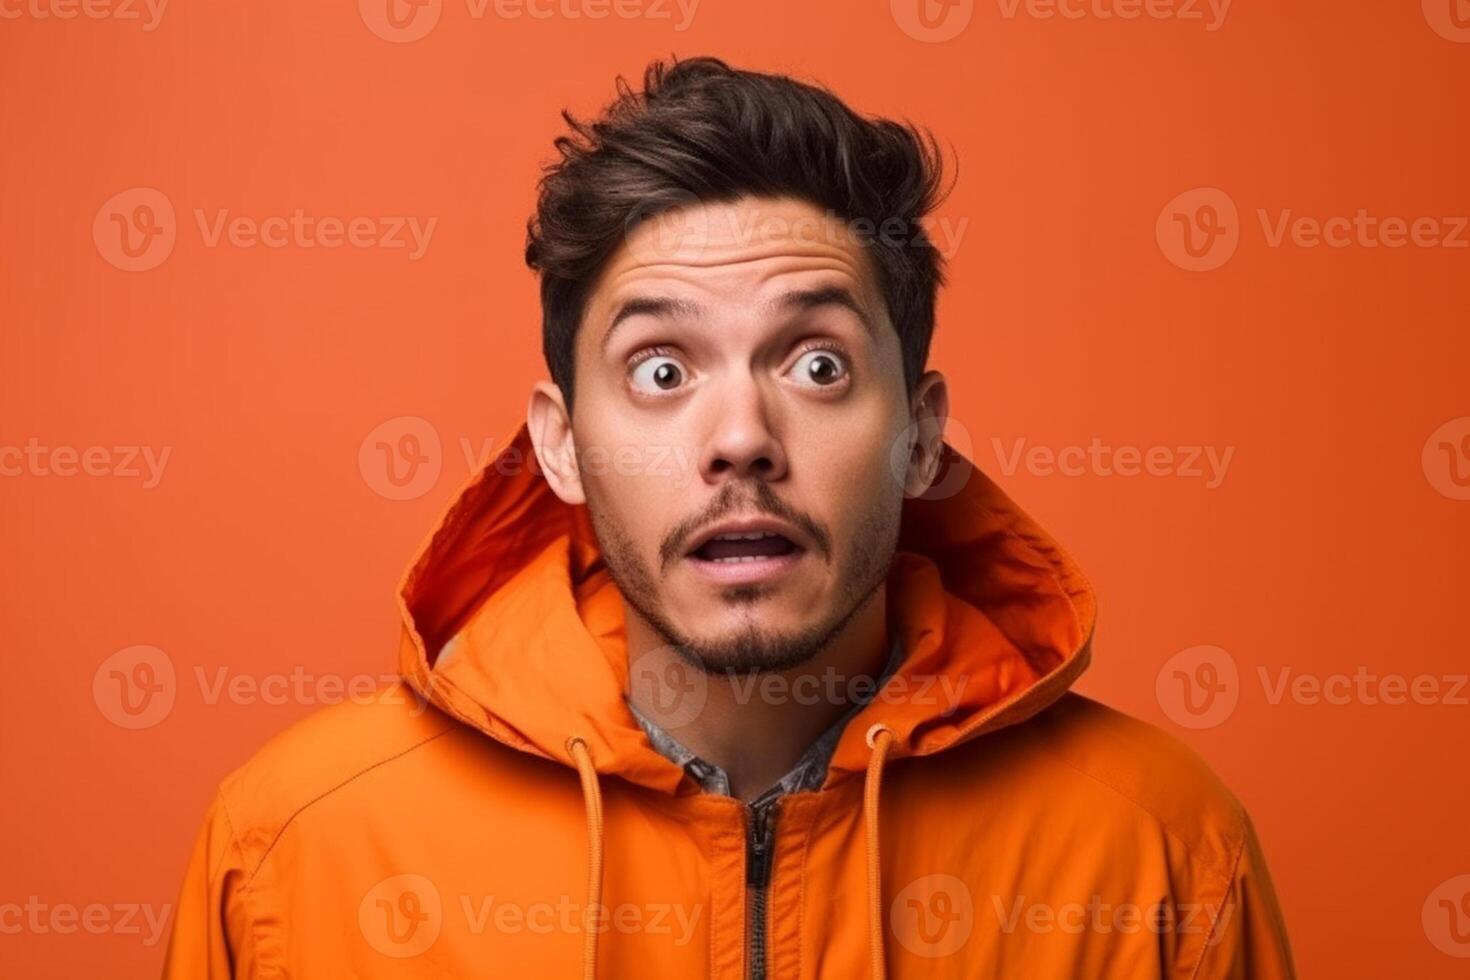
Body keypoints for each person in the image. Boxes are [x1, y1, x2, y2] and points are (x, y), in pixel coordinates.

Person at [161, 55, 1296, 979]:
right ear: (559, 441)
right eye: (661, 370)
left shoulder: (1161, 856)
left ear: (921, 433)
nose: (741, 435)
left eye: (815, 363)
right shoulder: (296, 854)